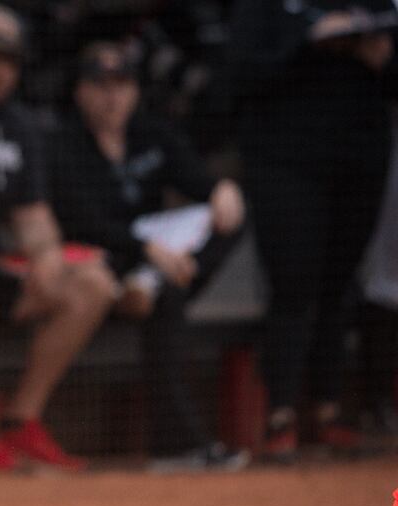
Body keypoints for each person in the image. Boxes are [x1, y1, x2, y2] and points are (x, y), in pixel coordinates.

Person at [49, 40, 249, 470]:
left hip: (156, 267)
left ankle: (152, 288)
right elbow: (81, 222)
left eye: (121, 84)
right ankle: (179, 447)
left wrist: (221, 189)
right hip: (100, 264)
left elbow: (196, 179)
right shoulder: (63, 143)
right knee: (165, 301)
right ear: (80, 91)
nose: (112, 96)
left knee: (224, 219)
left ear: (136, 90)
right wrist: (146, 251)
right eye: (100, 85)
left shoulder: (150, 132)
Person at [0, 3, 118, 472]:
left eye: (10, 60)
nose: (0, 71)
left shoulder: (20, 125)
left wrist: (46, 256)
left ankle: (19, 421)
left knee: (93, 283)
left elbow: (33, 215)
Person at [228, 0, 397, 462]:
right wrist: (311, 42)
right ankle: (280, 415)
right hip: (285, 162)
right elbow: (239, 75)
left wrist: (379, 58)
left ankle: (329, 412)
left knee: (341, 286)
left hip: (359, 160)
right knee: (292, 285)